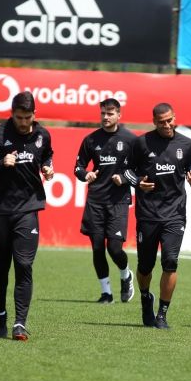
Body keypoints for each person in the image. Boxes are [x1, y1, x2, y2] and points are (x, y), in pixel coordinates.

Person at [0, 92, 54, 341]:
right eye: (19, 117)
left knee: (24, 265)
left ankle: (20, 323)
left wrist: (47, 167)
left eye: (28, 117)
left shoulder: (42, 134)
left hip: (28, 208)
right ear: (11, 114)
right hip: (0, 210)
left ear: (34, 115)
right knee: (1, 268)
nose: (23, 122)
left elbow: (47, 154)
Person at [121, 103, 191, 329]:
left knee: (170, 262)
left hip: (175, 214)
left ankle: (162, 315)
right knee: (145, 267)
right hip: (148, 214)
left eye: (170, 120)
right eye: (161, 122)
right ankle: (145, 298)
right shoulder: (141, 143)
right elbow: (126, 170)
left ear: (175, 117)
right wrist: (138, 182)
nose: (167, 125)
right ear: (154, 122)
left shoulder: (187, 144)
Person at [75, 98, 137, 304]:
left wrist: (124, 178)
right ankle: (106, 293)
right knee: (97, 248)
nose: (105, 117)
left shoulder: (130, 139)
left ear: (119, 115)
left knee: (115, 248)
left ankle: (126, 275)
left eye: (110, 113)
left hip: (118, 201)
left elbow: (140, 169)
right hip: (96, 200)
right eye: (103, 113)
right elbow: (78, 167)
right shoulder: (90, 140)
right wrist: (86, 175)